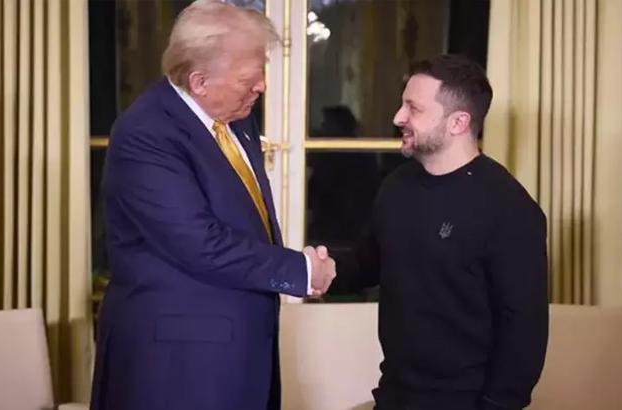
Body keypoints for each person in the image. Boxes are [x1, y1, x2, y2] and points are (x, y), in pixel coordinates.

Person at [90, 2, 335, 410]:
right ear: (199, 81)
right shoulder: (145, 134)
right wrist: (300, 270)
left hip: (235, 354)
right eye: (248, 78)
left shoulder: (236, 117)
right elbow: (197, 242)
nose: (262, 87)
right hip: (177, 365)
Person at [328, 54, 549, 410]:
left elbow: (524, 329)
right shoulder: (397, 185)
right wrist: (310, 268)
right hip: (394, 395)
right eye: (402, 104)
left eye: (413, 109)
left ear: (458, 122)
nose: (398, 117)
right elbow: (367, 264)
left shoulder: (509, 207)